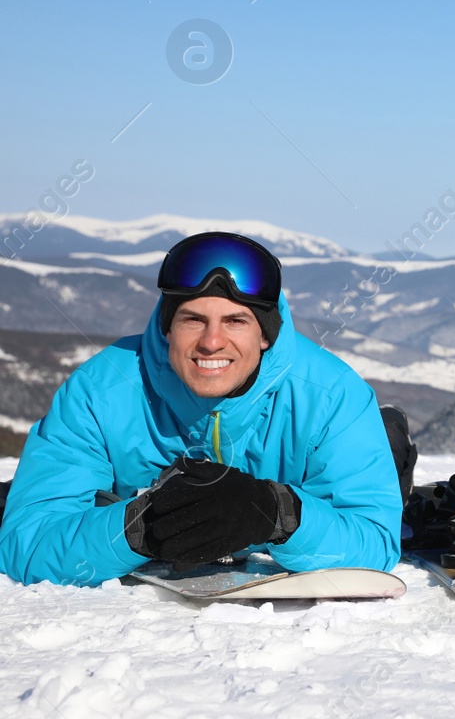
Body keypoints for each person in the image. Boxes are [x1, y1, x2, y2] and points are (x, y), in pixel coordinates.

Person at [0, 232, 402, 586]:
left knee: (386, 460)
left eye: (236, 321)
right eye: (193, 319)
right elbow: (27, 545)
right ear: (167, 326)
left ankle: (393, 442)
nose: (212, 342)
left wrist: (278, 514)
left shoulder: (331, 396)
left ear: (265, 335)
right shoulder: (101, 392)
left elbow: (375, 544)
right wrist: (142, 526)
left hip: (339, 441)